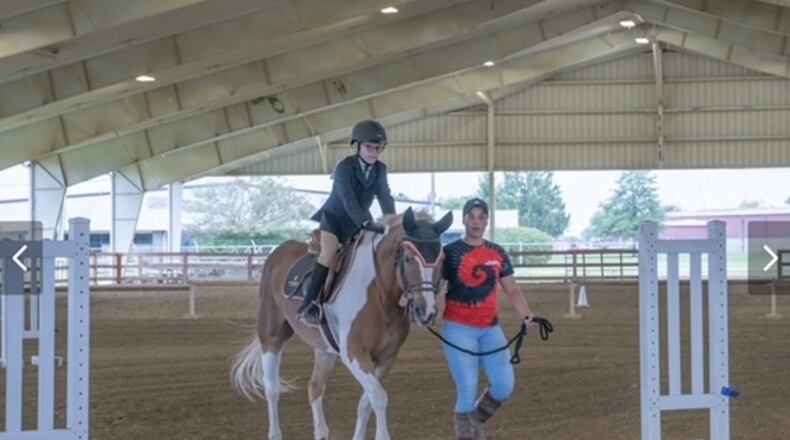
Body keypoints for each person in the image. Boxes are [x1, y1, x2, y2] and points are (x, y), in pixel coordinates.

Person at [440, 197, 540, 440]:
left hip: (490, 329)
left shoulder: (497, 252)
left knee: (505, 384)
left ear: (486, 221)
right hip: (458, 327)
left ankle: (473, 422)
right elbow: (437, 287)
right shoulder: (449, 253)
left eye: (481, 217)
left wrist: (527, 315)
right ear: (463, 219)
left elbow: (512, 290)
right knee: (467, 387)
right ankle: (468, 435)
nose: (476, 221)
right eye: (471, 216)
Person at [296, 119, 396, 328]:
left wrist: (392, 221)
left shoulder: (380, 169)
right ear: (356, 145)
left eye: (379, 147)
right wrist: (367, 222)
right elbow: (348, 199)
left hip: (358, 222)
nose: (375, 152)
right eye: (370, 147)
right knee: (328, 253)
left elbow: (385, 196)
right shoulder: (344, 167)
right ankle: (309, 304)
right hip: (335, 220)